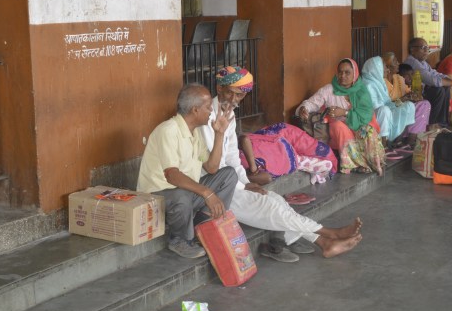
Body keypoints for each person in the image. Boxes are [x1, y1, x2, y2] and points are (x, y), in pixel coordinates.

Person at [201, 67, 363, 261]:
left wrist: (245, 183)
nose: (236, 100)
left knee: (277, 200)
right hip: (215, 190)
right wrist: (239, 187)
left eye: (241, 96)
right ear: (219, 89)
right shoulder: (206, 117)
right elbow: (214, 165)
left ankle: (325, 243)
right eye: (232, 93)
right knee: (272, 206)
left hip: (232, 184)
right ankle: (330, 233)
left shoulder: (229, 114)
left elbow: (232, 156)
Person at [137, 83, 238, 258]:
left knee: (228, 175)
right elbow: (172, 175)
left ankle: (202, 226)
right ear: (195, 110)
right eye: (208, 108)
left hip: (182, 195)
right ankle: (179, 240)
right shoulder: (168, 131)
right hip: (157, 197)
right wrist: (207, 193)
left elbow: (212, 168)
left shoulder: (194, 132)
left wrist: (220, 134)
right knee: (181, 194)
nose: (210, 112)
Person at [297, 58, 386, 175]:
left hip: (358, 125)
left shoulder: (361, 90)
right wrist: (304, 109)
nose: (343, 75)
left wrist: (344, 113)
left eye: (347, 72)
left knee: (368, 130)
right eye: (340, 72)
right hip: (337, 132)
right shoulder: (329, 89)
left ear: (355, 73)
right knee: (338, 125)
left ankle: (374, 163)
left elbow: (366, 115)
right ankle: (355, 165)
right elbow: (311, 103)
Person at [361, 56, 418, 148]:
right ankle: (383, 145)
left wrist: (401, 101)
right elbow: (376, 107)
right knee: (384, 110)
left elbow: (387, 103)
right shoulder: (368, 85)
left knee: (409, 106)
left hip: (384, 112)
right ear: (377, 68)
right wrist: (395, 104)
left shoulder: (380, 83)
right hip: (371, 119)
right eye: (384, 67)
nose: (387, 70)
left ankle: (398, 140)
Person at [404, 37, 452, 126]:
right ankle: (432, 124)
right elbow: (431, 80)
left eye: (427, 48)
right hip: (414, 94)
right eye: (423, 48)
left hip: (423, 91)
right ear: (412, 50)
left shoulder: (422, 62)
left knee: (445, 87)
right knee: (438, 90)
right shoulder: (412, 62)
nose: (426, 51)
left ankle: (442, 122)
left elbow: (435, 74)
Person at [382, 53, 431, 147]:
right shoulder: (382, 82)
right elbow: (385, 106)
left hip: (404, 111)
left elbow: (408, 94)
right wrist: (404, 99)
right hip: (391, 115)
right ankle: (407, 139)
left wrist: (414, 96)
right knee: (406, 107)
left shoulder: (399, 78)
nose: (398, 63)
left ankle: (412, 138)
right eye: (395, 61)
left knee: (424, 104)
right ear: (386, 66)